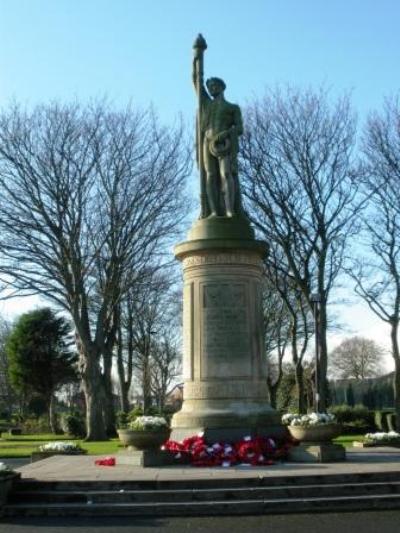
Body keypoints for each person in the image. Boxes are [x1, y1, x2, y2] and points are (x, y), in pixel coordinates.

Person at [193, 69, 243, 218]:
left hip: (224, 144)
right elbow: (196, 81)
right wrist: (196, 56)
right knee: (210, 175)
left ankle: (230, 210)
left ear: (222, 87)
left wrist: (226, 133)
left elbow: (239, 128)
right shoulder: (206, 104)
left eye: (214, 86)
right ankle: (213, 211)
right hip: (207, 142)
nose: (211, 89)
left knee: (226, 173)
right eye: (209, 87)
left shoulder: (232, 108)